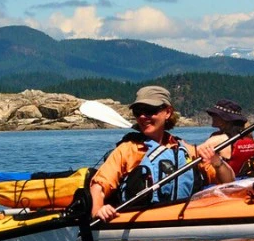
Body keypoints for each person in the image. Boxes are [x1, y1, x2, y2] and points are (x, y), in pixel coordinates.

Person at [90, 86, 235, 222]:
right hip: (141, 225)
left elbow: (228, 182)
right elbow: (99, 186)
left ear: (168, 112)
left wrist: (218, 163)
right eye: (137, 112)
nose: (142, 116)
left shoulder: (185, 149)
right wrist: (98, 209)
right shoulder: (128, 149)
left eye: (149, 110)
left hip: (181, 219)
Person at [203, 98, 254, 175]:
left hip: (223, 183)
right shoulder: (253, 141)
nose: (212, 116)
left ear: (225, 119)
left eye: (215, 115)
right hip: (242, 181)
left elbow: (192, 154)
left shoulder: (217, 140)